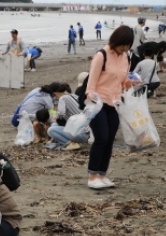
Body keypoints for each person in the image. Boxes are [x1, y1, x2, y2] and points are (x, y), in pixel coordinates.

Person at [85, 26, 136, 190]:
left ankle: (102, 174)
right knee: (101, 138)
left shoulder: (125, 57)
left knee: (109, 140)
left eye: (128, 46)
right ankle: (92, 176)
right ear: (116, 40)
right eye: (123, 45)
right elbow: (91, 84)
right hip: (98, 102)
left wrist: (131, 83)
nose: (125, 49)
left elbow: (123, 80)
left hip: (115, 103)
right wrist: (92, 101)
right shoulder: (102, 55)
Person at [48, 79, 90, 151]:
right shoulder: (73, 95)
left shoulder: (62, 98)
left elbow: (61, 114)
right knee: (54, 125)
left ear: (54, 94)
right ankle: (71, 141)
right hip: (89, 130)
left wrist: (55, 116)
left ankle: (69, 144)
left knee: (51, 130)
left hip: (82, 134)